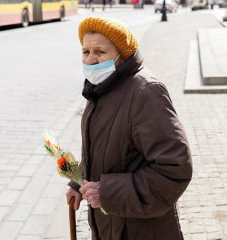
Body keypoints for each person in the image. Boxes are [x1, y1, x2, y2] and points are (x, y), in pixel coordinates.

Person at [66, 17, 192, 240]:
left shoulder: (145, 92)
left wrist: (107, 192)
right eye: (86, 52)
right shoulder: (100, 88)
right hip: (109, 225)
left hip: (141, 230)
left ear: (121, 55)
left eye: (101, 52)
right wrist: (78, 183)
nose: (91, 60)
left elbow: (174, 169)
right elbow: (100, 149)